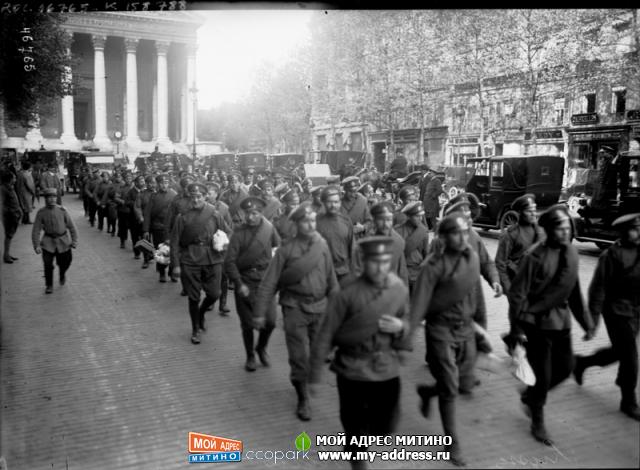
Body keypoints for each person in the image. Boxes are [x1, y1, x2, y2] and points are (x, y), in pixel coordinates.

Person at [309, 236, 410, 470]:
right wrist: (314, 376)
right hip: (352, 368)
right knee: (354, 426)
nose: (381, 267)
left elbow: (407, 318)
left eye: (386, 261)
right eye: (375, 262)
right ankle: (357, 458)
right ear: (363, 262)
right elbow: (326, 332)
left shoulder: (397, 288)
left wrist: (401, 326)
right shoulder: (347, 292)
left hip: (385, 367)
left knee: (385, 427)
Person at [509, 205, 595, 446]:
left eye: (568, 227)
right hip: (536, 324)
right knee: (543, 376)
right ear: (547, 230)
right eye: (560, 228)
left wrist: (586, 322)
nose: (566, 232)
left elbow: (574, 290)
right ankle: (537, 418)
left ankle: (530, 396)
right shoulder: (533, 257)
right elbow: (517, 295)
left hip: (561, 322)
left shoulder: (571, 253)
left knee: (566, 367)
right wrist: (516, 330)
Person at [253, 202, 339, 421]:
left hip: (320, 307)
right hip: (295, 309)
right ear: (297, 224)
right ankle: (302, 399)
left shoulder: (323, 245)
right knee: (299, 358)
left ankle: (306, 380)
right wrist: (260, 312)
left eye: (313, 220)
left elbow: (332, 279)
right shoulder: (285, 250)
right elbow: (269, 283)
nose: (310, 225)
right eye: (305, 221)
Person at [408, 212, 480, 466]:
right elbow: (419, 303)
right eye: (455, 233)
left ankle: (428, 392)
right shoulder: (433, 266)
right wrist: (408, 335)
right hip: (440, 330)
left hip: (466, 329)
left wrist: (481, 327)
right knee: (450, 387)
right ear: (443, 236)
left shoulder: (472, 257)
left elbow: (476, 292)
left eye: (464, 231)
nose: (461, 237)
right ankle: (453, 442)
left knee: (463, 383)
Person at [574, 213, 640, 421]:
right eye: (634, 228)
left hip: (635, 312)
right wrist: (592, 322)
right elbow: (598, 289)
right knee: (630, 357)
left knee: (619, 352)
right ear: (623, 231)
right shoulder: (611, 255)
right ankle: (628, 402)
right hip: (616, 311)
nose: (638, 231)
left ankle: (582, 363)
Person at [225, 197, 281, 371]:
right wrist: (238, 283)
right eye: (248, 213)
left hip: (265, 282)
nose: (250, 217)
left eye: (255, 213)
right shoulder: (238, 232)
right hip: (245, 282)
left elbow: (278, 251)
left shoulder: (269, 229)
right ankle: (250, 355)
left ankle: (261, 347)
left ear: (261, 213)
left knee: (271, 321)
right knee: (248, 324)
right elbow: (230, 262)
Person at [171, 183, 229, 344]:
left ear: (205, 197)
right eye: (192, 197)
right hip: (191, 260)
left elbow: (227, 232)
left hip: (213, 258)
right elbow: (175, 241)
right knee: (194, 297)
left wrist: (222, 243)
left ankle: (201, 313)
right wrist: (175, 265)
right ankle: (195, 328)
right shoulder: (182, 217)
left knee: (214, 294)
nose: (195, 199)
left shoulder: (215, 215)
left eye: (199, 196)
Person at [495, 194, 545, 345]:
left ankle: (514, 340)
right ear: (520, 213)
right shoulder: (510, 235)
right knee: (518, 321)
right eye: (529, 210)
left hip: (536, 285)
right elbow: (500, 263)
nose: (533, 213)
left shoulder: (540, 232)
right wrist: (508, 289)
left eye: (534, 210)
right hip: (517, 286)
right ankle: (516, 344)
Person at [31, 188, 78, 293]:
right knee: (47, 264)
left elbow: (72, 227)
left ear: (56, 198)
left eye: (53, 197)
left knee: (66, 262)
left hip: (63, 241)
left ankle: (62, 273)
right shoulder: (41, 213)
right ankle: (49, 285)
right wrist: (36, 245)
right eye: (49, 197)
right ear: (45, 199)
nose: (51, 200)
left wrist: (74, 241)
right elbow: (36, 230)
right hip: (48, 242)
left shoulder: (63, 211)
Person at [357, 202, 409, 286]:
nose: (386, 224)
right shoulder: (367, 242)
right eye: (381, 219)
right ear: (374, 221)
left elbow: (402, 271)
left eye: (389, 220)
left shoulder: (398, 241)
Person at [316, 185, 355, 285]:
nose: (333, 205)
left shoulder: (346, 221)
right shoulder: (316, 222)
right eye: (329, 202)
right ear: (323, 203)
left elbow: (352, 247)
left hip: (344, 272)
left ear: (340, 203)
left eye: (336, 202)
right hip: (323, 273)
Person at [143, 175, 177, 282]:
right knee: (161, 251)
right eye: (161, 183)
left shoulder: (174, 195)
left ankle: (172, 272)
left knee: (173, 251)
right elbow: (147, 213)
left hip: (172, 228)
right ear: (158, 184)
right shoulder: (153, 196)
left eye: (166, 182)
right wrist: (146, 230)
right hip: (158, 228)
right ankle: (162, 272)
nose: (164, 185)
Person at [394, 201, 429, 294]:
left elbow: (426, 253)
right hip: (403, 271)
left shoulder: (423, 231)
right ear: (409, 217)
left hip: (418, 271)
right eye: (417, 216)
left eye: (421, 216)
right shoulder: (398, 231)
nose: (420, 219)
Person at [135, 175, 157, 269]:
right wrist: (140, 217)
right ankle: (146, 260)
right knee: (145, 240)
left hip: (156, 221)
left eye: (154, 183)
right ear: (147, 184)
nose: (153, 185)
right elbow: (137, 207)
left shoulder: (158, 194)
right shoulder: (141, 194)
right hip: (145, 221)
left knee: (157, 242)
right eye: (151, 183)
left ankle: (156, 258)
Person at [1, 171, 22, 263]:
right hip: (9, 216)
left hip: (14, 215)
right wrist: (11, 212)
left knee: (10, 236)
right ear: (9, 179)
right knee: (8, 236)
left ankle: (7, 254)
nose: (15, 179)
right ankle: (6, 256)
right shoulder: (3, 189)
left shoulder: (10, 188)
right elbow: (2, 204)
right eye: (14, 177)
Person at [126, 175, 146, 259]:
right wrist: (136, 204)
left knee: (144, 237)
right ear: (136, 183)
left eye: (143, 181)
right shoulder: (131, 192)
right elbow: (126, 202)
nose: (143, 183)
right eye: (141, 181)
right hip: (133, 218)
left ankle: (147, 255)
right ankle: (137, 253)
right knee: (135, 236)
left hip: (144, 218)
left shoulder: (146, 191)